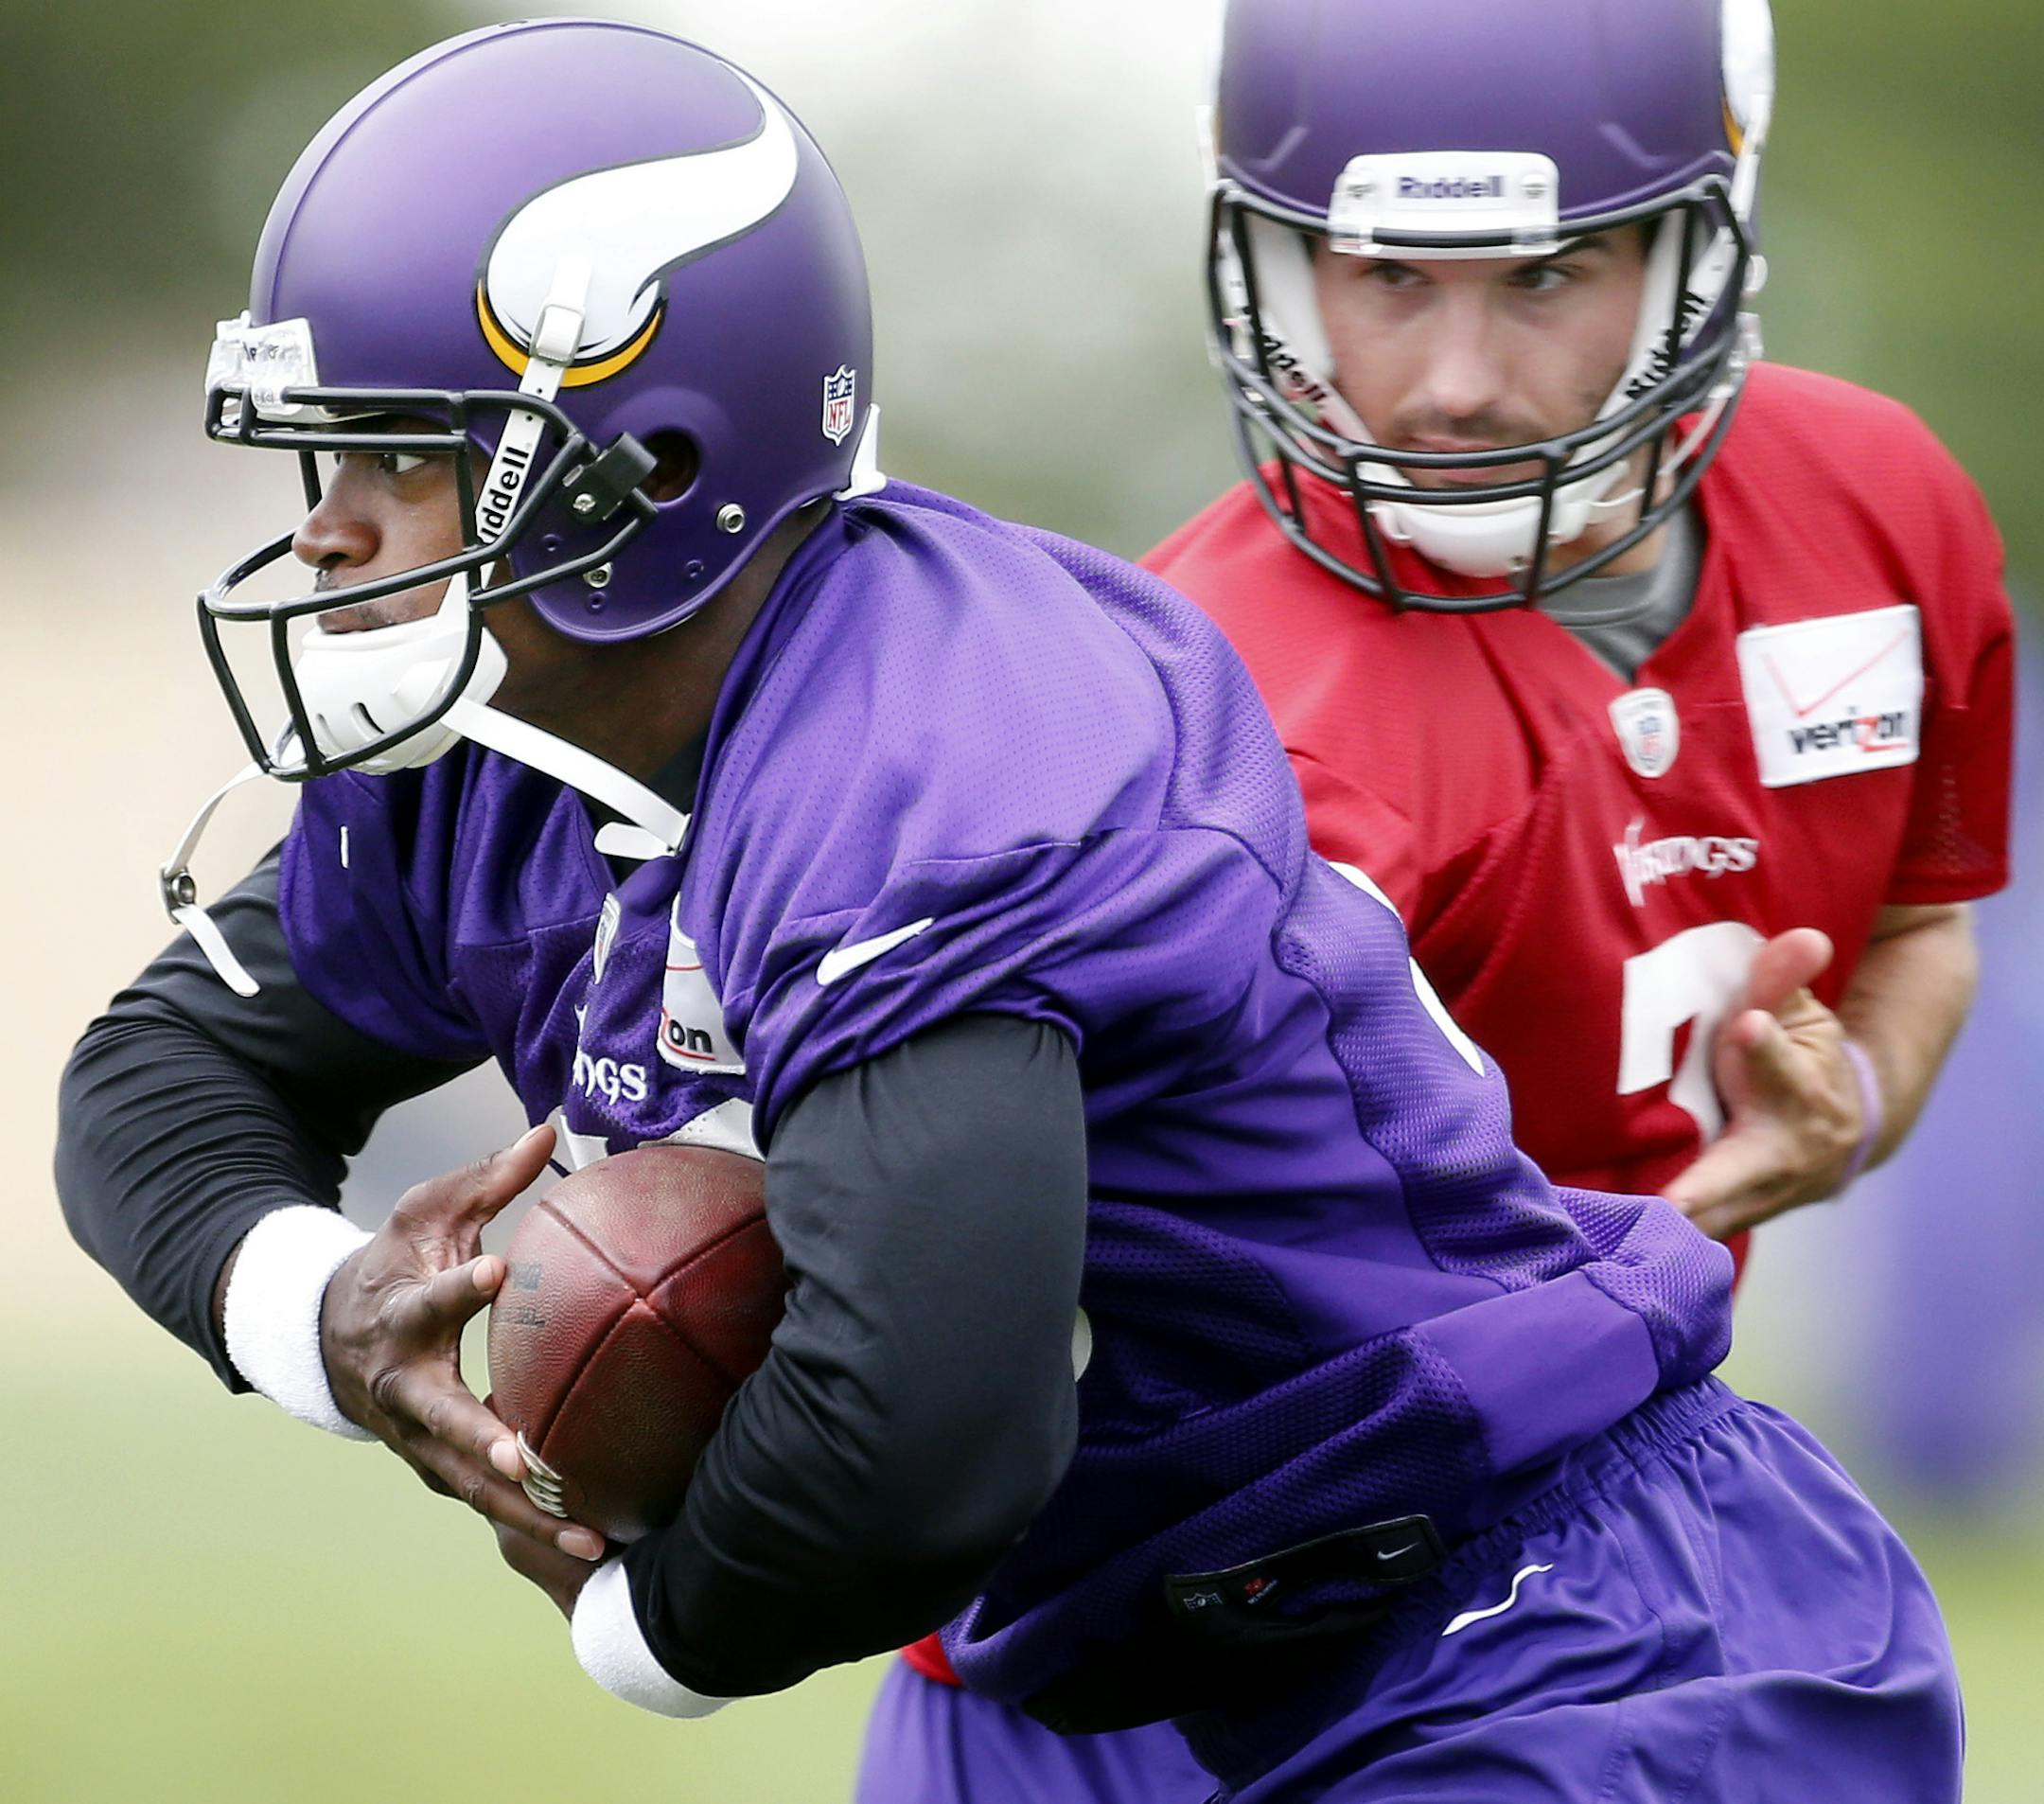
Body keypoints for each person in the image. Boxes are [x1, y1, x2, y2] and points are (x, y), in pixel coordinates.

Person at [59, 18, 1965, 1804]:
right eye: (326, 458)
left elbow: (921, 1420)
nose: (329, 528)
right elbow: (159, 1073)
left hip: (1536, 1604)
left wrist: (631, 1615)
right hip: (1106, 1648)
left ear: (653, 467)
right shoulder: (508, 750)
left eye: (408, 455)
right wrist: (339, 1320)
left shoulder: (935, 739)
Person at [866, 0, 2011, 1796]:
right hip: (1165, 1617)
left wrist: (1849, 1103)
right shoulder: (1199, 709)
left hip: (1600, 1527)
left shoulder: (1881, 510)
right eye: (1383, 276)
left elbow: (1920, 929)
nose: (1454, 379)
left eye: (1546, 273)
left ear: (1699, 242)